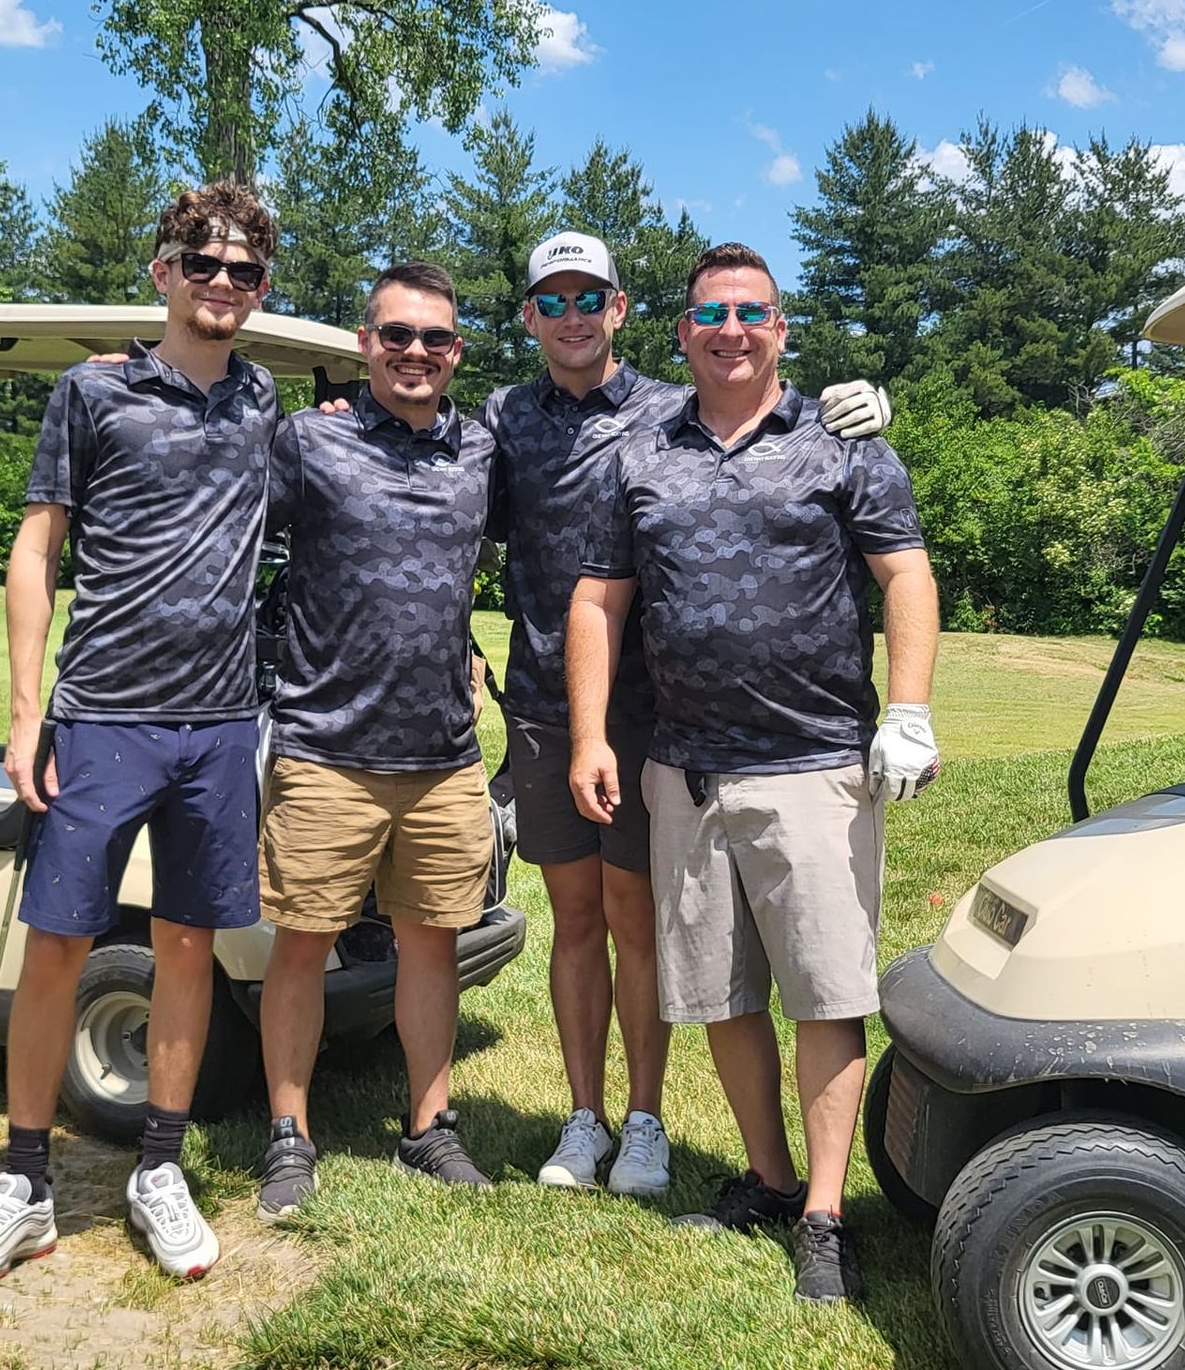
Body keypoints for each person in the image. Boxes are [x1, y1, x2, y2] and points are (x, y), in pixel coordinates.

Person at [484, 230, 897, 1196]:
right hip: (554, 699)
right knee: (575, 918)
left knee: (645, 923)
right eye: (555, 300)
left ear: (624, 311)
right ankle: (584, 1120)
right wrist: (340, 409)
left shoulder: (672, 408)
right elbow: (425, 453)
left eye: (593, 297)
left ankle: (646, 1121)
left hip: (661, 710)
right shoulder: (502, 419)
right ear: (531, 317)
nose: (575, 315)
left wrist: (867, 409)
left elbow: (760, 394)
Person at [566, 242, 941, 1305]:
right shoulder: (639, 456)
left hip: (813, 767)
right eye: (711, 313)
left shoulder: (844, 441)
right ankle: (771, 1180)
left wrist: (907, 712)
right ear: (681, 332)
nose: (731, 328)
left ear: (781, 328)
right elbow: (598, 601)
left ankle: (825, 1214)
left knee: (825, 993)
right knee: (722, 993)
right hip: (683, 772)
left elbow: (904, 574)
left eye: (752, 311)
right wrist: (594, 736)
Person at [0, 182, 283, 1286]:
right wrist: (27, 711)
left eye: (242, 271)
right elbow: (37, 551)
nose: (221, 282)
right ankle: (27, 1180)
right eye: (202, 262)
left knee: (188, 947)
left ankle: (161, 1168)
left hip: (222, 721)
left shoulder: (265, 405)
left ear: (258, 290)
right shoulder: (93, 394)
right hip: (101, 718)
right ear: (162, 272)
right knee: (59, 943)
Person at [251, 262, 500, 1221]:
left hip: (441, 754)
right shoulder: (308, 443)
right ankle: (289, 1133)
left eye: (435, 338)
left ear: (457, 352)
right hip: (326, 745)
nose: (415, 354)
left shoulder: (482, 451)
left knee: (430, 946)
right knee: (303, 945)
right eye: (395, 335)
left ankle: (428, 1126)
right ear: (365, 344)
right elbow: (219, 518)